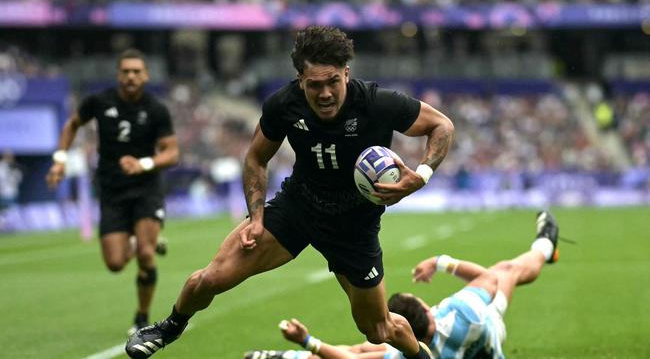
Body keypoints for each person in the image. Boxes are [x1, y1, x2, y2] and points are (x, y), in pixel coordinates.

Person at [125, 25, 454, 359]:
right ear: (300, 80)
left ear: (346, 74)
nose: (325, 93)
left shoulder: (376, 102)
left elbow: (441, 125)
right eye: (314, 85)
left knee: (377, 329)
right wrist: (256, 217)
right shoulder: (284, 105)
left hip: (354, 226)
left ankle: (420, 355)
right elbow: (255, 158)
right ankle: (167, 327)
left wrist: (423, 174)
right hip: (299, 207)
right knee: (210, 278)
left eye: (332, 82)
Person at [244, 210, 561, 359]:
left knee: (362, 350)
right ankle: (546, 245)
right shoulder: (463, 313)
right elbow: (488, 278)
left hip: (467, 350)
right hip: (487, 329)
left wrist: (308, 342)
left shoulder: (404, 354)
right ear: (427, 307)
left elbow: (353, 358)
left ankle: (283, 358)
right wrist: (441, 262)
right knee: (507, 271)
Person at [46, 48, 179, 334]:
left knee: (145, 255)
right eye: (126, 71)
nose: (131, 76)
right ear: (118, 75)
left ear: (145, 75)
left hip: (146, 188)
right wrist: (59, 160)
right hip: (112, 190)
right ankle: (142, 241)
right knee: (115, 263)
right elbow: (71, 125)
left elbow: (172, 153)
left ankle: (142, 318)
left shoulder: (156, 109)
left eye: (136, 71)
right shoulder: (98, 101)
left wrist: (143, 163)